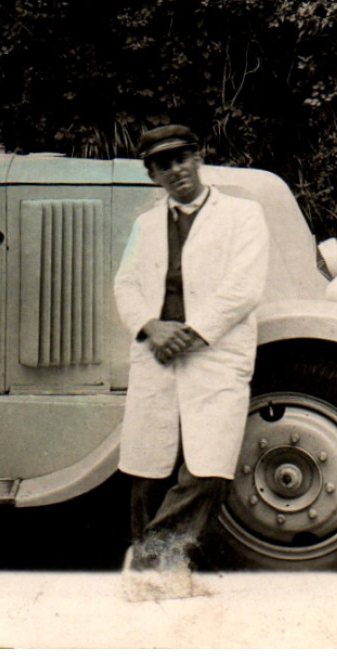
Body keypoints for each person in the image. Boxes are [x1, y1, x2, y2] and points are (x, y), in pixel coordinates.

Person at [114, 124, 271, 577]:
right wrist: (150, 327)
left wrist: (194, 331)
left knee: (208, 468)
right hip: (157, 350)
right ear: (152, 175)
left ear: (199, 158)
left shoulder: (242, 214)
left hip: (215, 350)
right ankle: (160, 568)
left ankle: (150, 559)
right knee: (148, 466)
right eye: (164, 164)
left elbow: (243, 286)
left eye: (182, 158)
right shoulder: (145, 225)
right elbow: (125, 284)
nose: (176, 170)